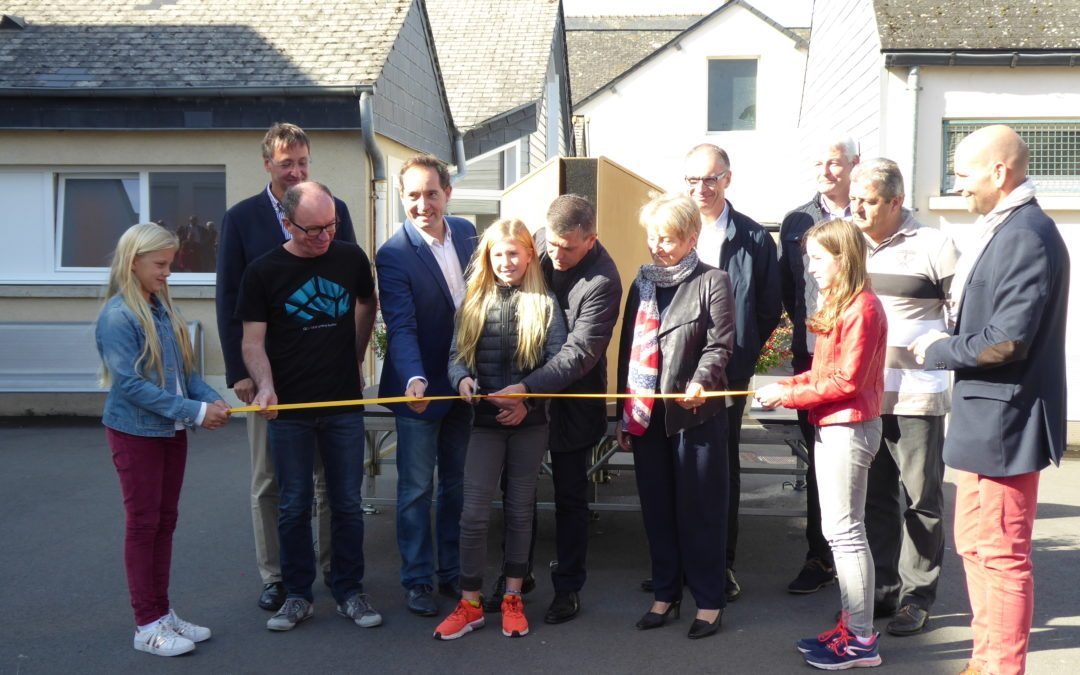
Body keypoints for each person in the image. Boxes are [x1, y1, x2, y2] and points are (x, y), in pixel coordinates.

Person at [910, 125, 1069, 675]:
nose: (957, 186)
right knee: (975, 547)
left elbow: (1006, 339)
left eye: (962, 174)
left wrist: (939, 348)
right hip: (987, 419)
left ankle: (1001, 667)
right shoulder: (1006, 227)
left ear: (999, 173)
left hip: (1006, 421)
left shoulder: (1025, 233)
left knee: (999, 554)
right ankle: (985, 660)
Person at [216, 122, 357, 612]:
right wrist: (241, 371)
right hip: (269, 379)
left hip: (326, 373)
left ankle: (332, 572)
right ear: (267, 165)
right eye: (286, 163)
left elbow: (352, 284)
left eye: (302, 162)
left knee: (328, 484)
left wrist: (353, 361)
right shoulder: (242, 219)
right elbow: (228, 298)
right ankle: (275, 576)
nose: (296, 171)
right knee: (271, 482)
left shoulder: (329, 206)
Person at [237, 182, 380, 632]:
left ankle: (349, 590)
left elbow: (366, 302)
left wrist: (356, 357)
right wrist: (264, 386)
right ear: (287, 221)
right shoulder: (263, 272)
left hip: (342, 405)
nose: (323, 237)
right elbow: (252, 341)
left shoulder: (350, 257)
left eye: (330, 226)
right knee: (293, 505)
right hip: (290, 411)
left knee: (347, 503)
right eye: (312, 229)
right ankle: (297, 595)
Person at [756, 218, 888, 670]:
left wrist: (787, 393)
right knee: (840, 533)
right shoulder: (843, 303)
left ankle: (861, 640)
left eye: (816, 258)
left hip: (849, 429)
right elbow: (821, 371)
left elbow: (846, 380)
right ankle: (853, 629)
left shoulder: (863, 308)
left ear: (842, 258)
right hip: (835, 426)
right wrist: (784, 385)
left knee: (846, 535)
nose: (808, 267)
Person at [95, 222, 230, 657]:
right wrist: (195, 412)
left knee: (164, 522)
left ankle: (162, 612)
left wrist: (216, 402)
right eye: (160, 264)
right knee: (144, 525)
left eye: (170, 264)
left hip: (170, 432)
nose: (167, 272)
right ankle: (146, 624)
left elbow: (186, 377)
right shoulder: (118, 316)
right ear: (133, 261)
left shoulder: (161, 309)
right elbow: (129, 386)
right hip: (136, 434)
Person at [488, 194, 623, 624]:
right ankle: (517, 575)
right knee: (517, 492)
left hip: (572, 399)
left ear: (591, 239)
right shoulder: (539, 245)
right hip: (523, 396)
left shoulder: (603, 280)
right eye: (552, 245)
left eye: (569, 247)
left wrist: (526, 389)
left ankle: (568, 586)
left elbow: (579, 355)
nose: (557, 255)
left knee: (570, 496)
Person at [433, 218, 567, 641]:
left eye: (514, 253)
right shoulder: (472, 302)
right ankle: (469, 602)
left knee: (519, 511)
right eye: (498, 254)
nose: (506, 261)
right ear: (487, 259)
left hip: (529, 423)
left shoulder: (545, 304)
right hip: (485, 425)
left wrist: (528, 402)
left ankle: (513, 595)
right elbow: (456, 357)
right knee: (473, 515)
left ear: (529, 254)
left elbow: (558, 362)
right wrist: (461, 380)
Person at [615, 192, 735, 640]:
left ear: (691, 237)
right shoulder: (641, 283)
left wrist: (703, 379)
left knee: (701, 511)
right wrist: (626, 417)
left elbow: (721, 343)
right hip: (648, 418)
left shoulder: (713, 280)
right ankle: (665, 593)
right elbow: (630, 354)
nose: (658, 246)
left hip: (696, 417)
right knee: (658, 510)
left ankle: (708, 601)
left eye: (667, 238)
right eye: (653, 237)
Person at [850, 158, 959, 637]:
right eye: (854, 198)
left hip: (916, 394)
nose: (858, 208)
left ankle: (918, 597)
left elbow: (961, 317)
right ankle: (884, 590)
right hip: (865, 396)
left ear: (896, 201)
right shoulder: (849, 245)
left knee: (921, 499)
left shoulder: (934, 244)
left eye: (869, 200)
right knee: (874, 498)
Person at [376, 155, 477, 617]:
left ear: (447, 193)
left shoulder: (470, 234)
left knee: (456, 485)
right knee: (416, 488)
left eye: (431, 193)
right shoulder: (393, 254)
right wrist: (414, 377)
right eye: (413, 195)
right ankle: (417, 580)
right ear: (402, 197)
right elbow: (401, 325)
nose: (423, 204)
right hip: (419, 387)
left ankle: (451, 572)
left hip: (467, 386)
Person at [684, 143, 782, 601]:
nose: (699, 188)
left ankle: (721, 565)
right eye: (691, 180)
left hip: (727, 374)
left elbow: (766, 308)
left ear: (727, 179)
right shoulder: (675, 228)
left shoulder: (754, 238)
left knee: (720, 467)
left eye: (709, 179)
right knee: (679, 466)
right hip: (676, 375)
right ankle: (678, 564)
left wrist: (738, 359)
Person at [778, 135, 861, 595]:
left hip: (863, 354)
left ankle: (867, 559)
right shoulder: (797, 222)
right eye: (820, 163)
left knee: (864, 460)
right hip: (813, 354)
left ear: (854, 164)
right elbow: (792, 291)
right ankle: (820, 555)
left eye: (835, 162)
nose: (827, 171)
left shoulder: (868, 216)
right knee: (818, 460)